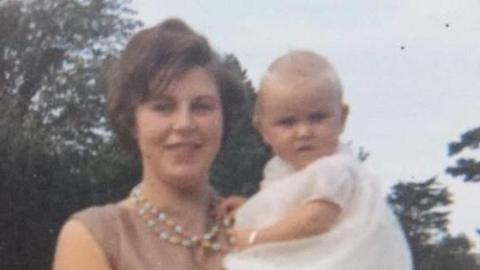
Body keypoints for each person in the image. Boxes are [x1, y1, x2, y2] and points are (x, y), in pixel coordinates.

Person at [52, 18, 245, 270]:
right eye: (163, 107)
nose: (184, 123)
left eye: (201, 106)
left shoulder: (259, 226)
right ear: (132, 121)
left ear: (224, 118)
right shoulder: (96, 236)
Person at [221, 50, 413, 270]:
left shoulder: (335, 169)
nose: (303, 132)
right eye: (287, 122)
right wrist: (252, 209)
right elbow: (288, 208)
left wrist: (256, 237)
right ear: (263, 129)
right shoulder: (284, 170)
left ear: (342, 118)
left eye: (317, 118)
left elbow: (314, 219)